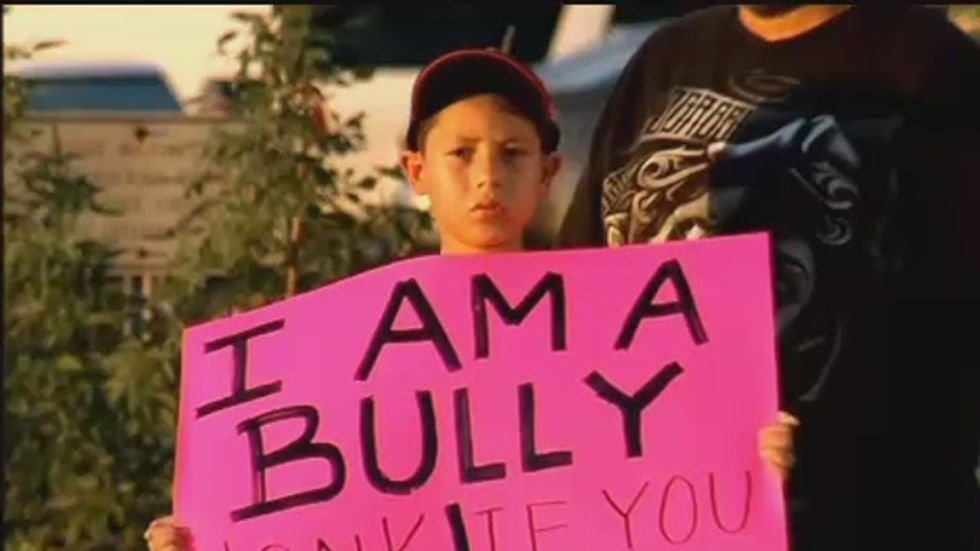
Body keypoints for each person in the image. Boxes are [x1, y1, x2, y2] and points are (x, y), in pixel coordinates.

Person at [145, 48, 801, 551]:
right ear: (416, 170)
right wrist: (205, 530)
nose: (488, 174)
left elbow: (677, 480)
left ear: (546, 173)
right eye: (461, 153)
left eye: (512, 153)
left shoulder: (616, 325)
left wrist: (755, 457)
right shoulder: (351, 345)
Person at [558, 4, 980, 550]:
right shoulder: (667, 57)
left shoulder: (933, 65)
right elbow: (582, 284)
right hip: (674, 522)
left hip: (871, 520)